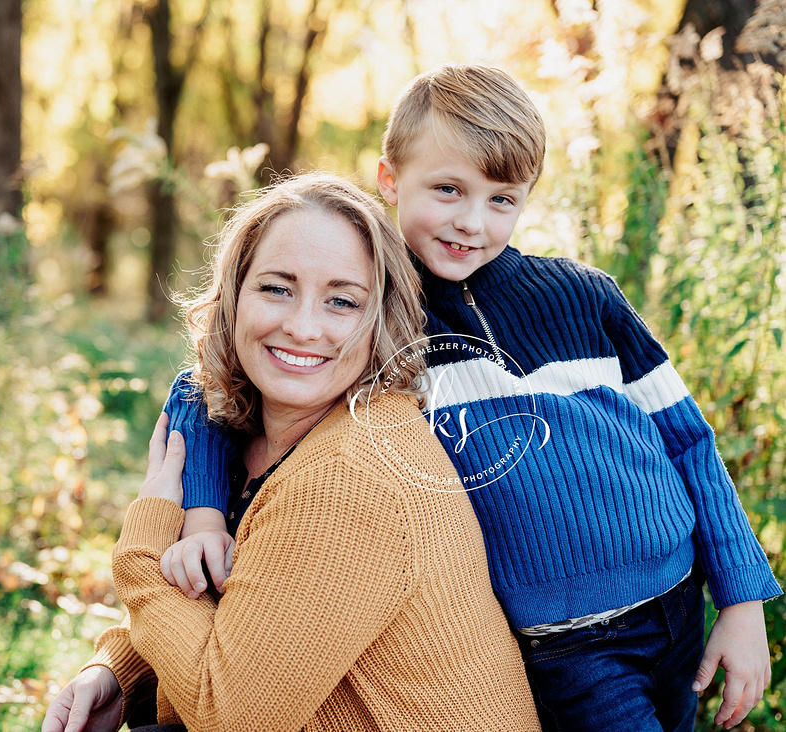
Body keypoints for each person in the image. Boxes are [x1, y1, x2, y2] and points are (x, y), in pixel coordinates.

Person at [150, 66, 782, 731]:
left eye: (502, 199)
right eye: (448, 189)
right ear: (390, 179)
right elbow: (211, 380)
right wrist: (202, 515)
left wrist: (740, 601)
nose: (471, 222)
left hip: (678, 600)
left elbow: (687, 438)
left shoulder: (588, 295)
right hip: (563, 647)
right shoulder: (387, 316)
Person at [41, 172, 541, 731]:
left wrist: (141, 552)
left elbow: (228, 716)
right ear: (232, 298)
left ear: (382, 320)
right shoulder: (253, 435)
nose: (304, 327)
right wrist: (119, 671)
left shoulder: (349, 476)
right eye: (277, 288)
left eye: (342, 302)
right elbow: (256, 622)